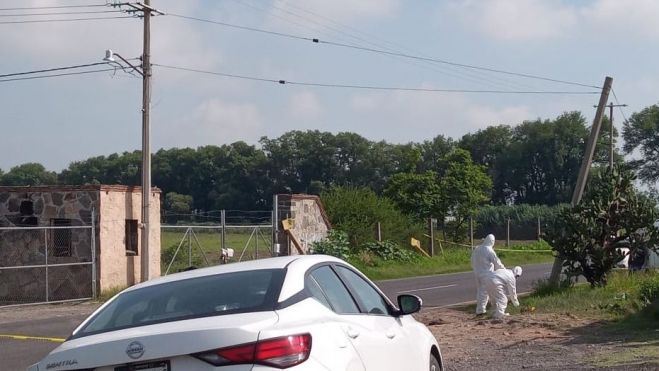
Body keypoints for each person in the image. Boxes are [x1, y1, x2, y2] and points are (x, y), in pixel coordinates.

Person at [471, 234, 505, 315]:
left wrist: (475, 268)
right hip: (486, 274)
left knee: (480, 292)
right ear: (492, 241)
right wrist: (504, 270)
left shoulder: (477, 248)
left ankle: (486, 309)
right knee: (485, 292)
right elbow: (497, 262)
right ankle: (481, 311)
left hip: (477, 273)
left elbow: (472, 259)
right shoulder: (489, 250)